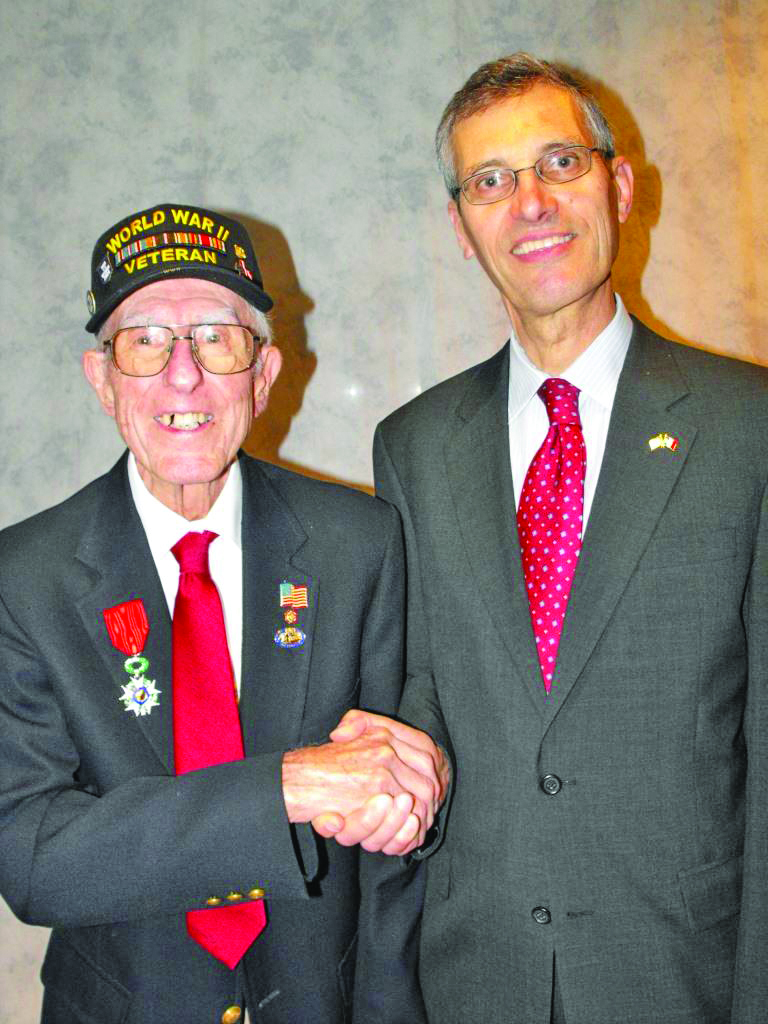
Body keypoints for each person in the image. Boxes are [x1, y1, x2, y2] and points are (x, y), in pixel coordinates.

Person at [372, 55, 768, 1023]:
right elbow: (419, 698)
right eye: (492, 181)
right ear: (463, 228)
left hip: (683, 981)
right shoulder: (413, 448)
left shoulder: (748, 428)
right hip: (474, 984)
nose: (531, 203)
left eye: (560, 163)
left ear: (619, 186)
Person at [0, 203, 444, 1024]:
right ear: (102, 380)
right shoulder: (23, 578)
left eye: (216, 336)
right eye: (146, 341)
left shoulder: (359, 545)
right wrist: (284, 787)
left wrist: (414, 796)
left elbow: (393, 858)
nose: (184, 375)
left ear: (264, 375)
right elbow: (31, 855)